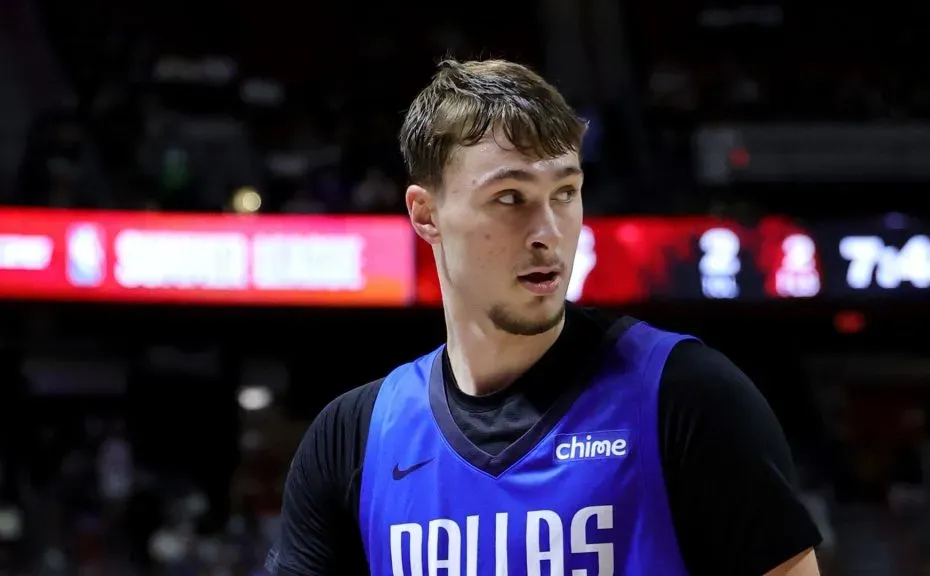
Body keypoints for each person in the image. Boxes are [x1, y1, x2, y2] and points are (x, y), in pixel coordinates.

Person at [267, 59, 821, 576]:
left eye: (564, 193)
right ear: (425, 214)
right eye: (510, 198)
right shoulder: (353, 439)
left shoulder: (689, 396)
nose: (548, 232)